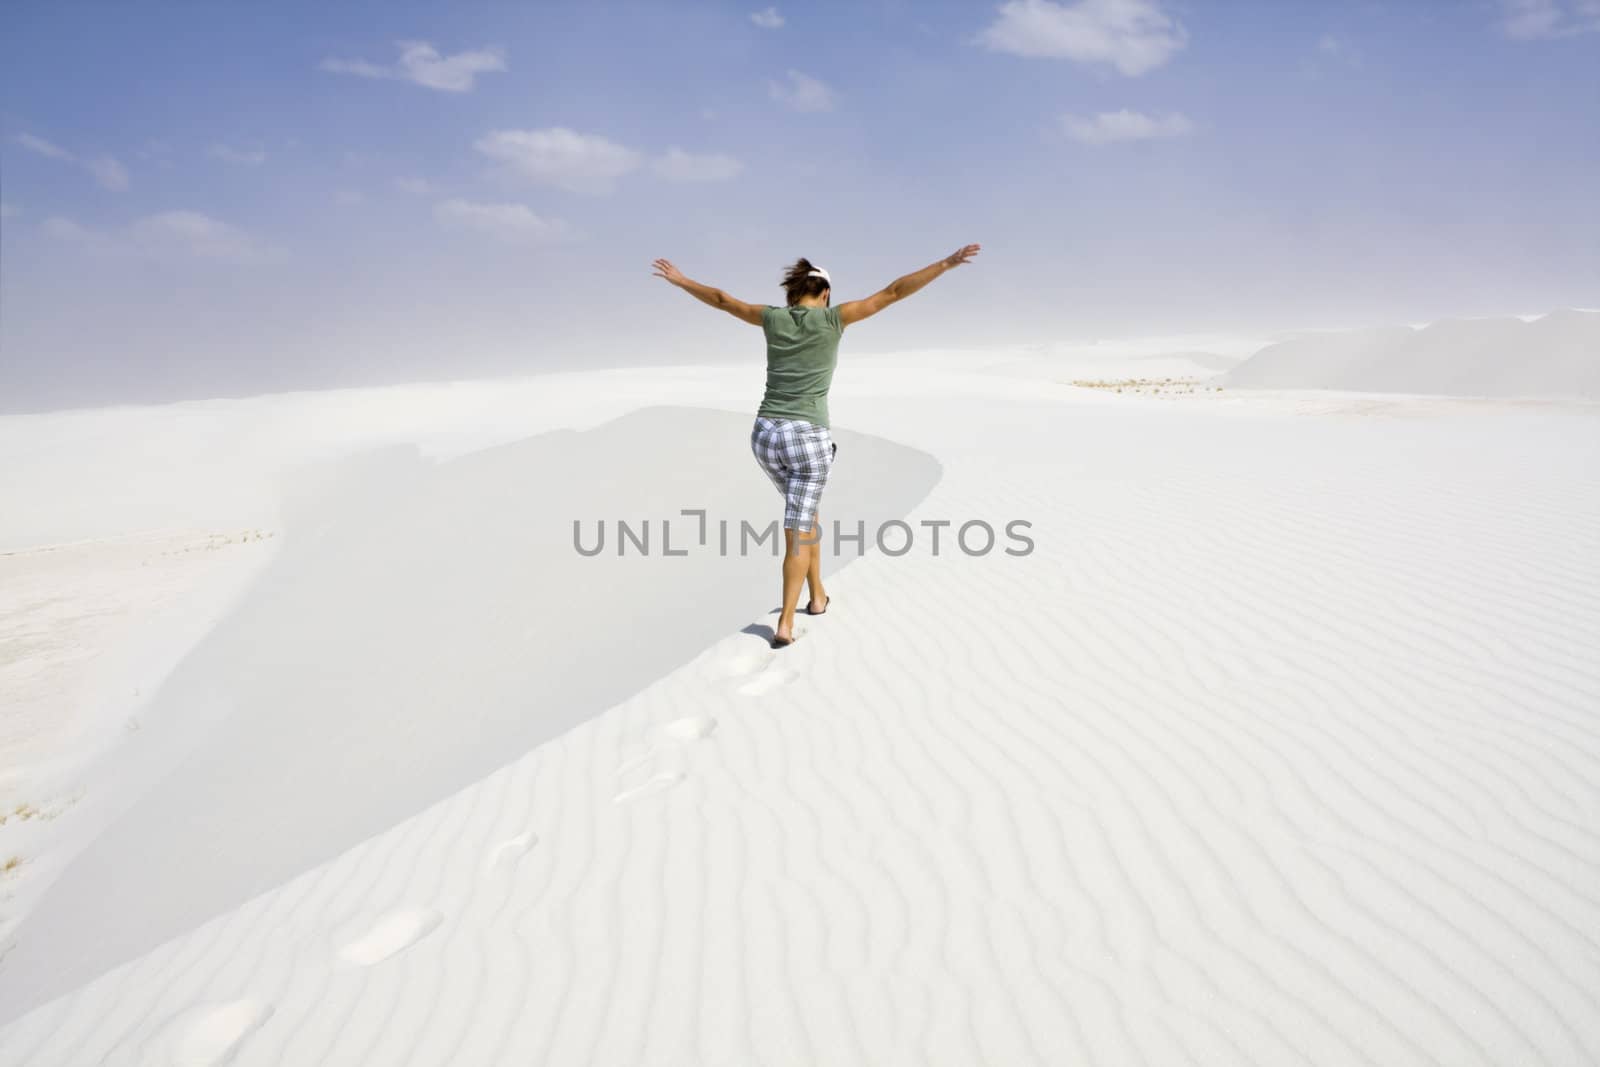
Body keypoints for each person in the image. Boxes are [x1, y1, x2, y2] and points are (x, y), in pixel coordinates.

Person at [651, 244, 981, 648]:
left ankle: (818, 596)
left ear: (793, 295)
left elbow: (722, 300)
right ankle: (786, 622)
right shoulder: (834, 319)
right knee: (799, 532)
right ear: (825, 293)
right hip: (807, 438)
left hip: (765, 436)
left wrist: (681, 280)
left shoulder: (772, 318)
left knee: (805, 514)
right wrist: (946, 264)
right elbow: (894, 292)